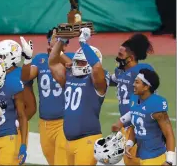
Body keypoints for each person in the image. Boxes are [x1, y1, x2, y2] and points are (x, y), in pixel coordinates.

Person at [48, 27, 110, 165]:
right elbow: (52, 62)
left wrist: (83, 43)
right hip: (69, 142)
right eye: (77, 61)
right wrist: (61, 41)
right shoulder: (69, 76)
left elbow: (97, 68)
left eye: (82, 62)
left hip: (87, 140)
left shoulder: (97, 81)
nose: (77, 64)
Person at [20, 28, 73, 165]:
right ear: (48, 42)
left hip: (64, 122)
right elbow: (26, 76)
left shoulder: (70, 58)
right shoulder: (40, 59)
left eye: (63, 42)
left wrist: (58, 51)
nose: (60, 44)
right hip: (44, 124)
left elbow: (74, 69)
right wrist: (27, 59)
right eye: (55, 40)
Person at [112, 69, 175, 166]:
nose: (133, 84)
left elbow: (168, 133)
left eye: (137, 82)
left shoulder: (156, 105)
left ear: (146, 87)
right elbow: (135, 124)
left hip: (155, 157)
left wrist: (169, 160)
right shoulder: (134, 98)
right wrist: (129, 144)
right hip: (140, 155)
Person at [110, 33, 154, 165]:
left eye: (121, 55)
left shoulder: (142, 71)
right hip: (128, 128)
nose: (118, 58)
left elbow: (146, 103)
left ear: (132, 57)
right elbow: (109, 79)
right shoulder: (121, 72)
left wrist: (122, 120)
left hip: (141, 126)